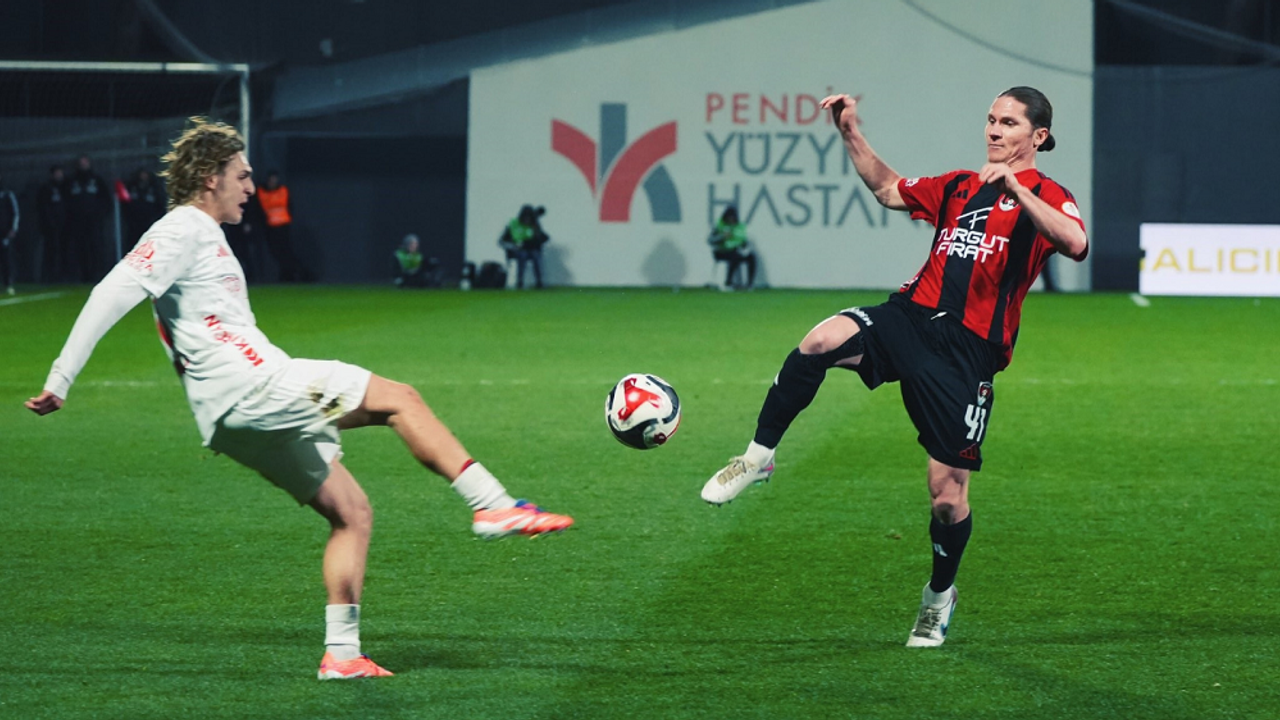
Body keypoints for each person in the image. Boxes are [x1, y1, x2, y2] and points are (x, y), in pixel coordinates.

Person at [25, 118, 573, 680]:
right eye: (242, 176)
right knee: (401, 399)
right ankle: (493, 503)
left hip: (228, 420)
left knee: (352, 513)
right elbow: (111, 291)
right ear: (211, 177)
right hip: (254, 387)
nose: (251, 187)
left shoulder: (203, 235)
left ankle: (343, 655)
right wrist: (61, 378)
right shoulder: (183, 227)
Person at [700, 87, 1088, 648]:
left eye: (1008, 122)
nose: (994, 130)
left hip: (968, 352)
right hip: (912, 316)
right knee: (820, 341)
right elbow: (888, 189)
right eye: (990, 119)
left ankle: (939, 598)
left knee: (947, 498)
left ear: (1039, 136)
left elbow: (1075, 242)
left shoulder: (1049, 195)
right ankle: (758, 459)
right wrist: (849, 132)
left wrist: (1017, 189)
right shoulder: (958, 186)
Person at [65, 155, 111, 282]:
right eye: (81, 163)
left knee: (96, 247)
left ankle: (97, 274)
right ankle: (83, 275)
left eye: (85, 162)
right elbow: (66, 200)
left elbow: (106, 200)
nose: (83, 165)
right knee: (81, 248)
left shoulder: (97, 180)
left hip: (94, 221)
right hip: (77, 222)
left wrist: (100, 215)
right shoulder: (72, 181)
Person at [252, 170, 303, 282]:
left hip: (283, 226)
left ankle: (294, 273)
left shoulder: (283, 190)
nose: (273, 182)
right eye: (271, 180)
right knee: (276, 252)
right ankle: (288, 273)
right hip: (270, 227)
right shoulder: (261, 192)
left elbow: (289, 206)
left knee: (286, 251)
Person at [498, 204, 548, 289]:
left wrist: (536, 239)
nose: (527, 220)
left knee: (536, 256)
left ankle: (539, 281)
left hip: (532, 249)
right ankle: (519, 281)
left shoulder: (534, 225)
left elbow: (543, 237)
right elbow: (502, 240)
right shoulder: (514, 225)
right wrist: (513, 245)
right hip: (518, 249)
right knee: (523, 255)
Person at [708, 206, 757, 290]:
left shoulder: (739, 227)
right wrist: (722, 237)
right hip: (721, 251)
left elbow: (743, 240)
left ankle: (749, 284)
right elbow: (710, 240)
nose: (731, 220)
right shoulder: (719, 226)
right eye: (729, 218)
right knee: (735, 256)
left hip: (736, 250)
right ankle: (728, 282)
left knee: (751, 257)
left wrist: (744, 246)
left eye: (733, 218)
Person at [37, 165, 68, 283]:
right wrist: (50, 223)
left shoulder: (66, 186)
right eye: (57, 173)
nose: (59, 176)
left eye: (60, 173)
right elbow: (43, 208)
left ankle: (63, 275)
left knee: (64, 251)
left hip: (65, 226)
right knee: (51, 251)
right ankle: (50, 276)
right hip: (51, 227)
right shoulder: (46, 188)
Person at [123, 168, 167, 248]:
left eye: (145, 174)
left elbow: (160, 203)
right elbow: (125, 202)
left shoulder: (154, 188)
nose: (144, 176)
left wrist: (156, 217)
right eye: (142, 174)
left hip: (150, 220)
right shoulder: (133, 187)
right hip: (134, 222)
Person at [0, 175, 18, 295]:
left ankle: (8, 284)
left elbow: (15, 212)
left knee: (6, 259)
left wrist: (13, 229)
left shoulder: (7, 195)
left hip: (4, 233)